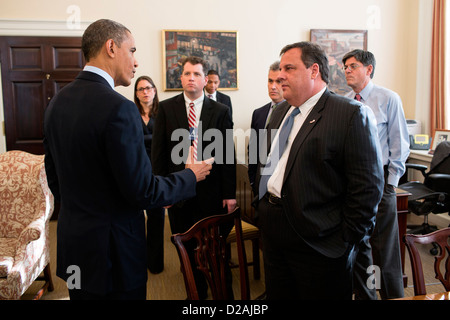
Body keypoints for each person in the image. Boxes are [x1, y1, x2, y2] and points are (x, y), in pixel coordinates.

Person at [43, 19, 212, 300]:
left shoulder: (56, 103)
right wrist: (190, 176)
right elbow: (143, 192)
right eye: (132, 50)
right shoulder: (120, 108)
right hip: (114, 255)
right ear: (111, 47)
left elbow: (55, 183)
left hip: (75, 249)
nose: (136, 62)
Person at [253, 41, 384, 300]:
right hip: (273, 232)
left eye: (288, 68)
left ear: (314, 71)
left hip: (319, 242)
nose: (280, 76)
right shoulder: (279, 113)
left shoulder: (349, 114)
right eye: (280, 69)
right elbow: (262, 164)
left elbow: (367, 188)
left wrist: (344, 241)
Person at [152, 56, 236, 299]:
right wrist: (162, 191)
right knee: (187, 254)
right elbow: (158, 154)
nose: (191, 78)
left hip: (212, 195)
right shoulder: (166, 109)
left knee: (216, 253)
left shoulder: (220, 111)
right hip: (179, 194)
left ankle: (224, 298)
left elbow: (227, 155)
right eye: (187, 74)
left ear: (205, 80)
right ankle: (196, 297)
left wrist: (229, 194)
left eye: (197, 74)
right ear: (181, 78)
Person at [343, 49, 410, 300]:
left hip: (381, 180)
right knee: (362, 247)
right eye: (345, 67)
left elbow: (400, 145)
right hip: (354, 183)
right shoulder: (346, 101)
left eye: (352, 66)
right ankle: (367, 294)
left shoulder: (388, 98)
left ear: (368, 69)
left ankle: (392, 297)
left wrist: (390, 183)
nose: (347, 70)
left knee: (385, 250)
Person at [133, 75, 165, 274]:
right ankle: (137, 262)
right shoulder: (130, 113)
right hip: (136, 171)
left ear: (154, 90)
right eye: (140, 89)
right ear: (136, 94)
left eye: (148, 88)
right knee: (135, 219)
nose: (145, 92)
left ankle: (155, 263)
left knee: (156, 219)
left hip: (158, 172)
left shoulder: (163, 113)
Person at [247, 61, 288, 194]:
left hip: (282, 187)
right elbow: (252, 149)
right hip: (259, 184)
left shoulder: (293, 113)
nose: (273, 87)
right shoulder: (258, 113)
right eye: (270, 81)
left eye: (278, 81)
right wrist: (253, 180)